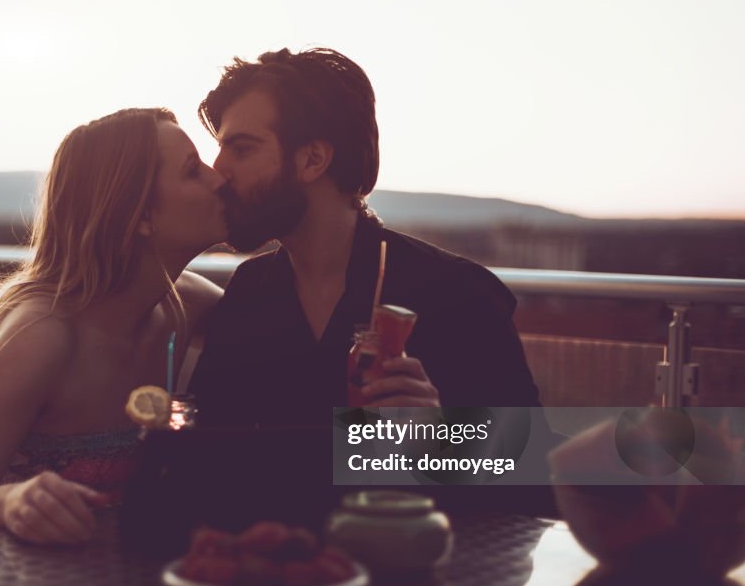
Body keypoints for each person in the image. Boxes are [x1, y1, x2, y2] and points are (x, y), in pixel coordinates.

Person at [0, 107, 226, 547]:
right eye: (193, 170)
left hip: (133, 579)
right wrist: (6, 503)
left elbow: (296, 351)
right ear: (139, 216)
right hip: (29, 585)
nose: (218, 179)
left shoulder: (184, 305)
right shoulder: (42, 338)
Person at [188, 47, 541, 429]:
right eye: (221, 148)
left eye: (241, 149)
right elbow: (205, 447)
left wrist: (435, 431)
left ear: (313, 160)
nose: (218, 170)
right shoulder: (249, 291)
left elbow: (525, 459)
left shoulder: (458, 296)